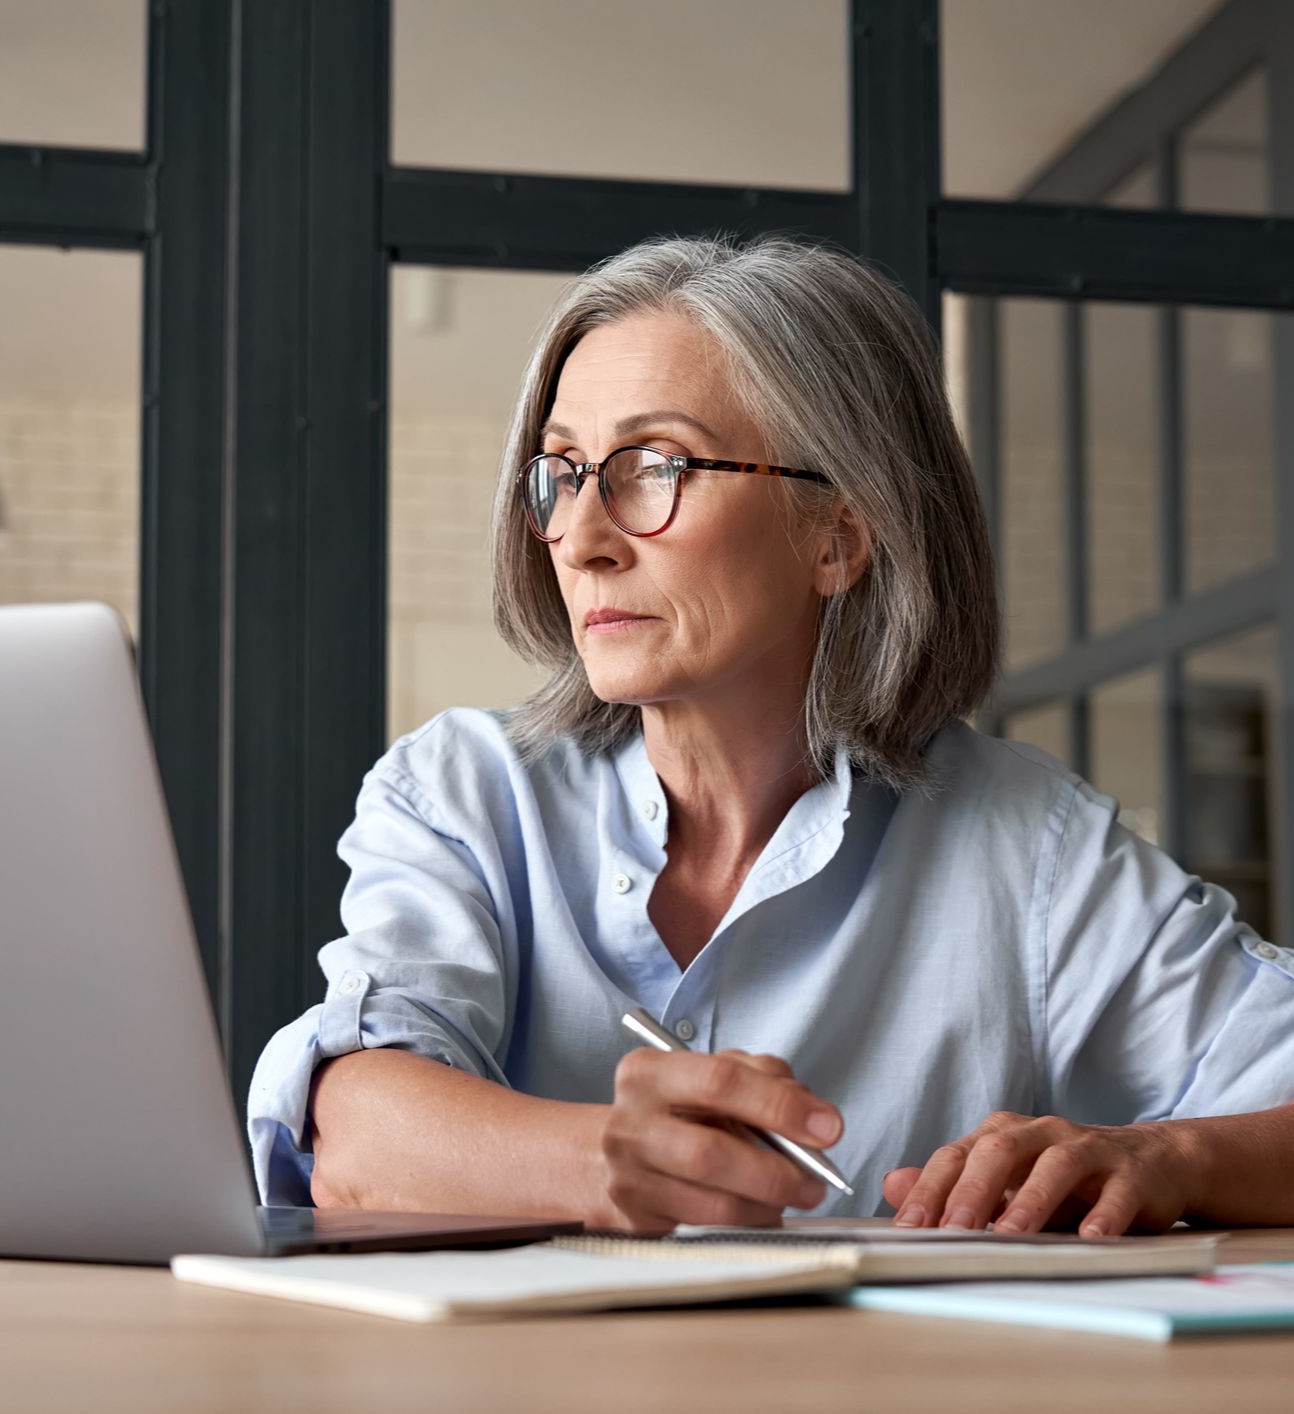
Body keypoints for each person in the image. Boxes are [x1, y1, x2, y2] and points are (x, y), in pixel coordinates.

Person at [248, 234, 1294, 1236]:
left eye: (654, 464)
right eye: (562, 473)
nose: (581, 536)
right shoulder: (463, 790)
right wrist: (604, 1161)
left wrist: (1167, 1158)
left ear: (837, 533)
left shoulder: (1033, 847)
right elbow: (349, 1136)